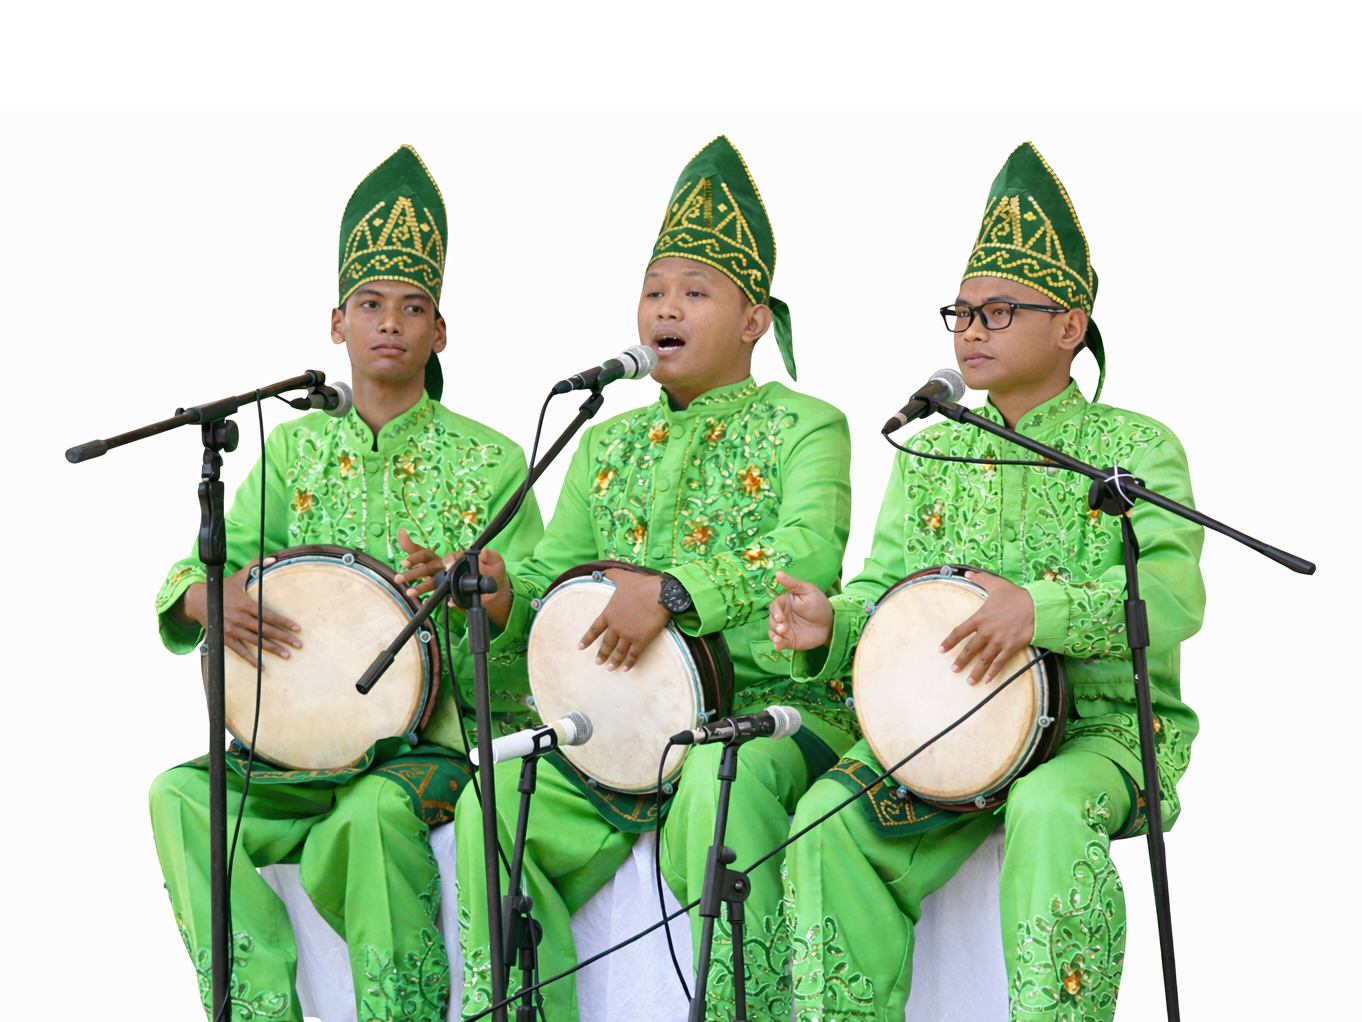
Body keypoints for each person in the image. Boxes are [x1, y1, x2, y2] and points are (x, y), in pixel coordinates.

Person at [769, 141, 1206, 1022]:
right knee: (827, 819)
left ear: (1070, 326)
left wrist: (1038, 613)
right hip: (943, 734)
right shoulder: (932, 447)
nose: (970, 330)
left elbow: (1172, 598)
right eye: (960, 313)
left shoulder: (1136, 448)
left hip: (1101, 734)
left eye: (998, 312)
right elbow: (887, 590)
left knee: (1047, 804)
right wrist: (834, 626)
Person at [453, 135, 854, 1022]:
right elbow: (553, 576)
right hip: (614, 737)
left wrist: (673, 594)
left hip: (759, 718)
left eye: (694, 293)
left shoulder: (808, 426)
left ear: (754, 320)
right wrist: (503, 591)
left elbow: (804, 561)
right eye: (654, 291)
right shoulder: (603, 439)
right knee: (496, 802)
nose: (664, 309)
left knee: (719, 786)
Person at [147, 144, 543, 1022]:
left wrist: (478, 595)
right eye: (370, 304)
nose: (389, 324)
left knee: (369, 817)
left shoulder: (492, 460)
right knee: (180, 795)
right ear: (336, 324)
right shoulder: (292, 449)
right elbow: (208, 563)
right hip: (293, 749)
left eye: (412, 308)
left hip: (431, 750)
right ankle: (256, 1008)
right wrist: (208, 595)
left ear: (441, 332)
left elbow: (533, 612)